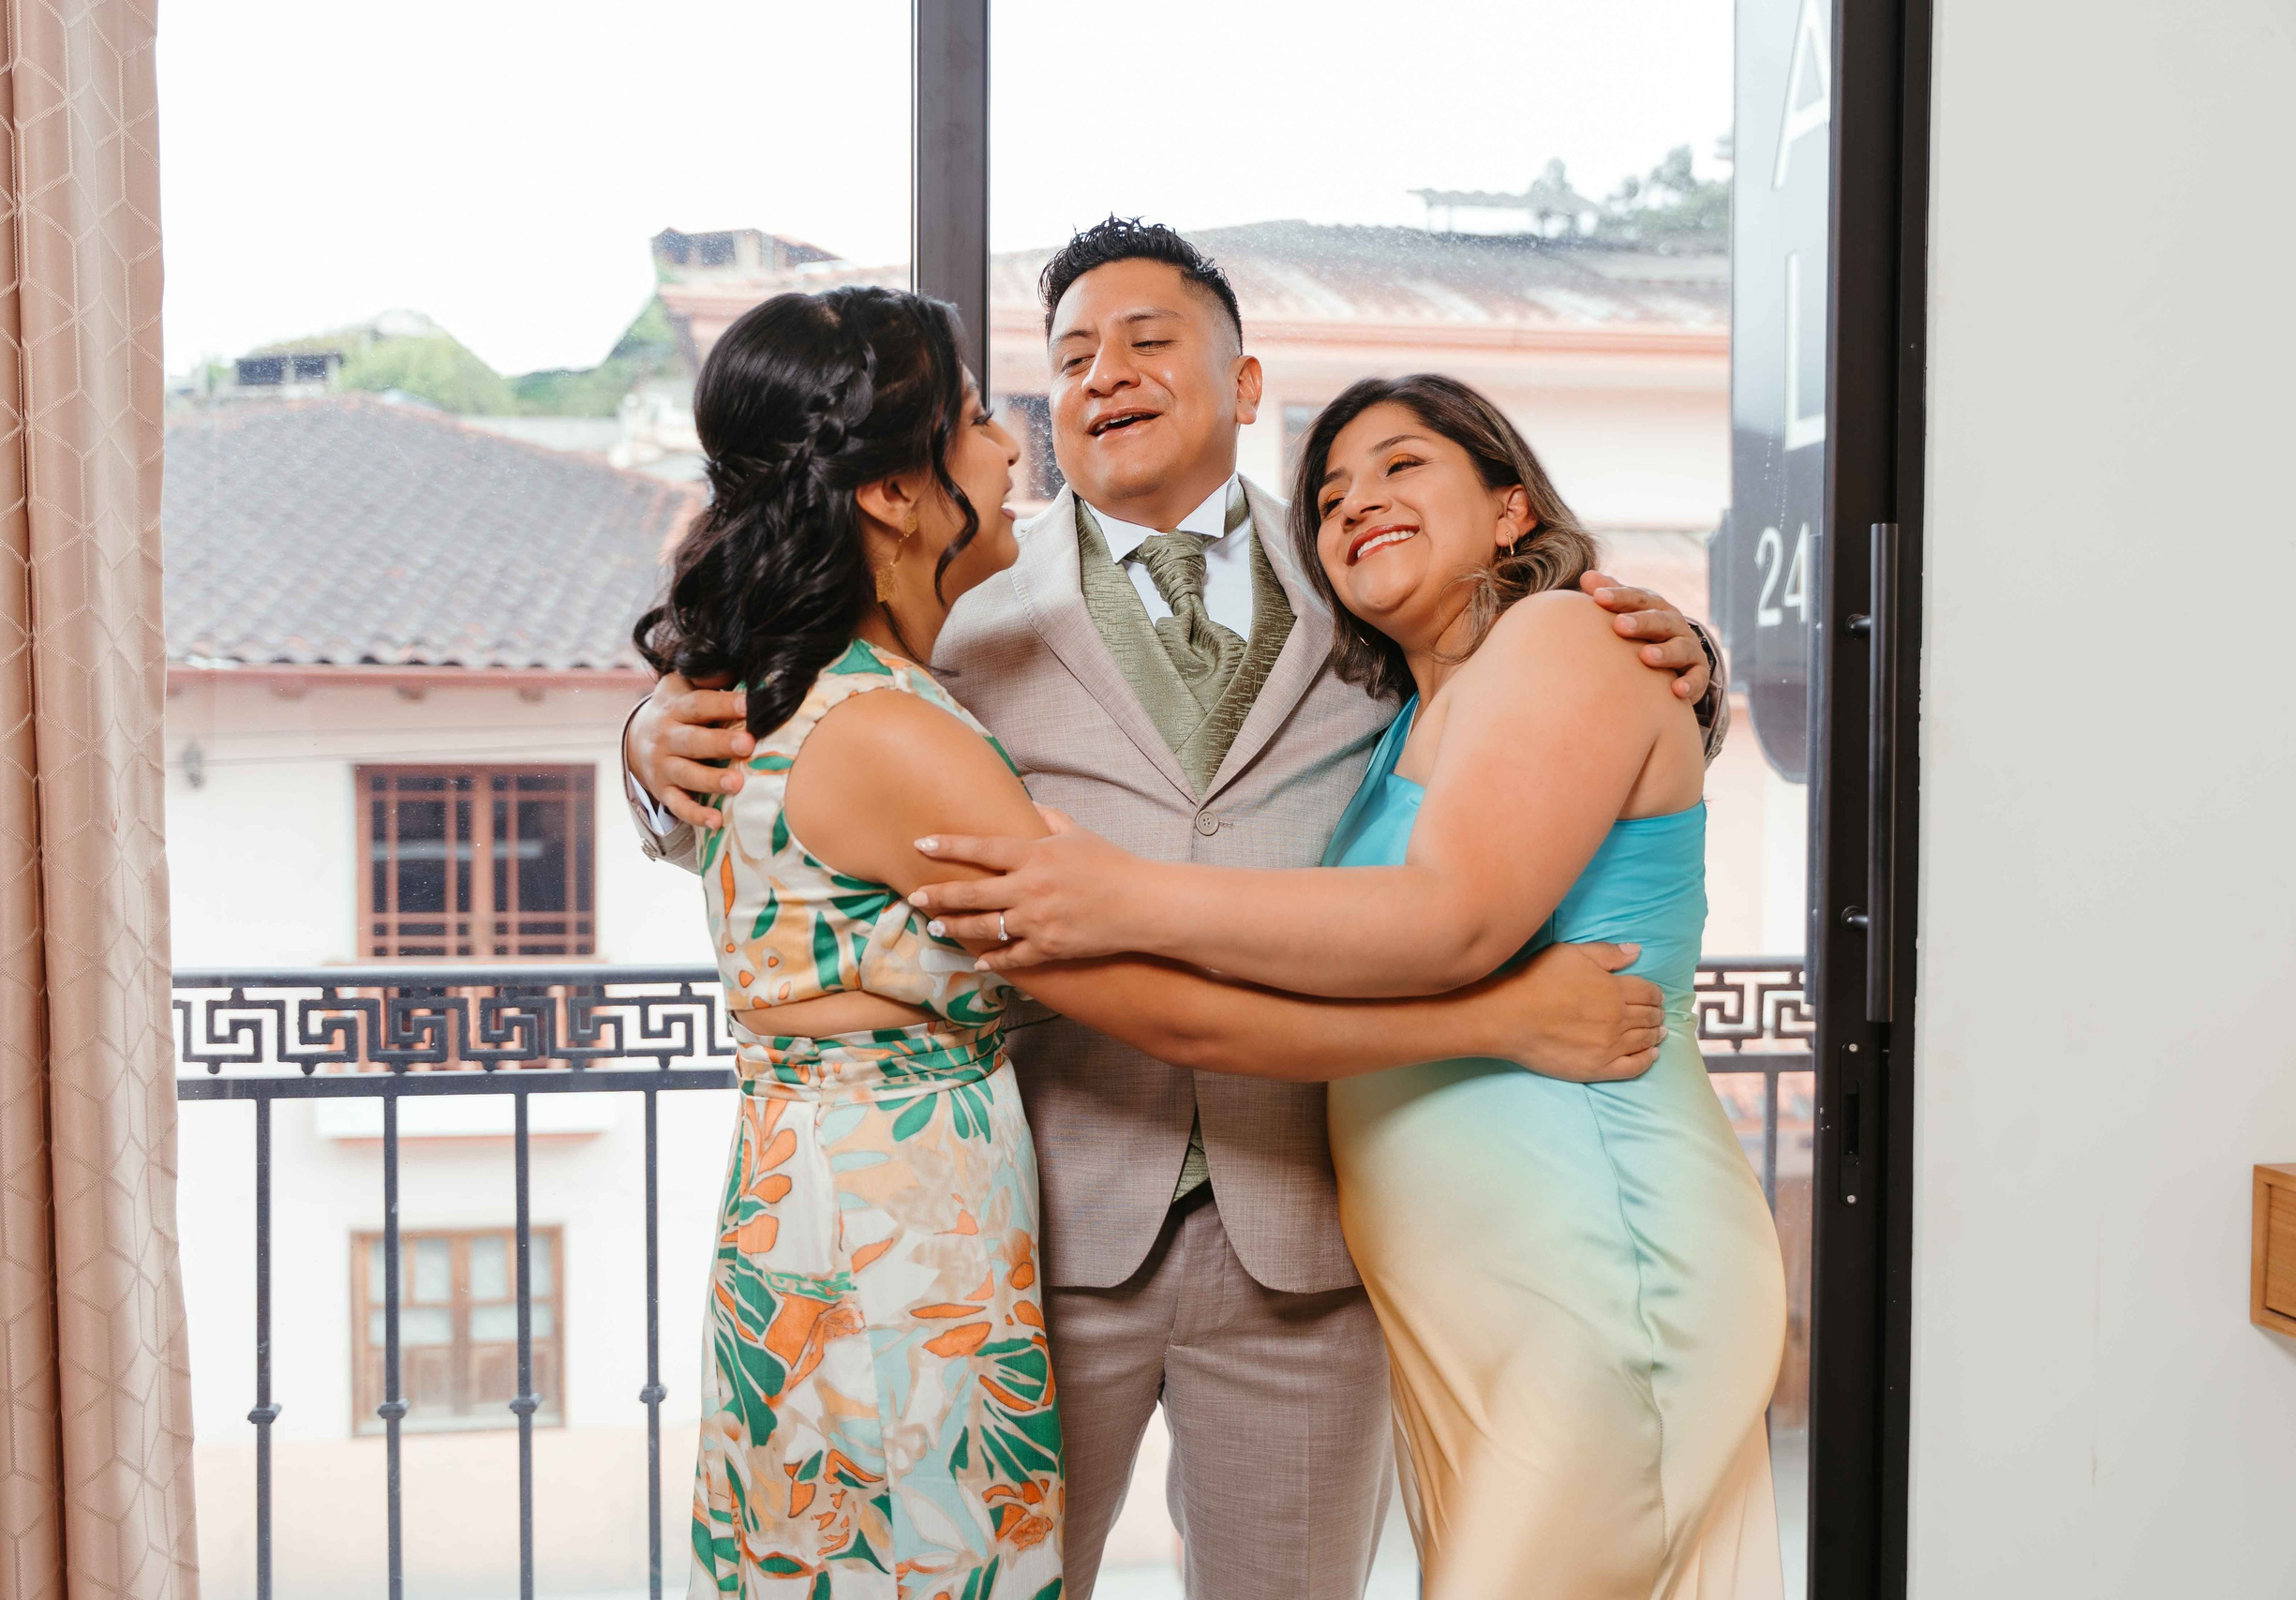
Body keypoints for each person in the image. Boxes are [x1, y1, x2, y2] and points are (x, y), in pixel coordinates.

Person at [625, 222, 1726, 1600]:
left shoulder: (1366, 576)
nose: (1107, 376)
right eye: (1072, 356)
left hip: (1307, 1228)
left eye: (1150, 341)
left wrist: (1695, 667)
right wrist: (649, 745)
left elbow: (1523, 713)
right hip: (1033, 1239)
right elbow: (788, 715)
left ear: (1245, 384)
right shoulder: (953, 595)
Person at [909, 375, 1788, 1598]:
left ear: (1511, 505)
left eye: (1402, 467)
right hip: (1456, 1300)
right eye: (1330, 494)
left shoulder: (1566, 633)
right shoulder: (1402, 710)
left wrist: (1123, 896)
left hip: (1591, 1259)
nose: (1356, 503)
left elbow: (1453, 919)